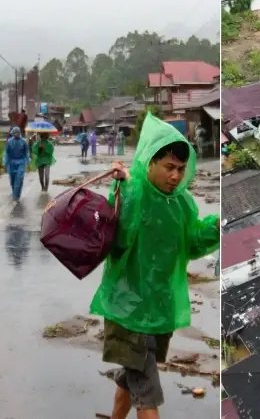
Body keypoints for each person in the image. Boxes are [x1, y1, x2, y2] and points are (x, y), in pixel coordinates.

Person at [90, 113, 220, 419]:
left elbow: (193, 241)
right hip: (129, 311)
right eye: (168, 167)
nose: (175, 175)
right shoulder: (134, 194)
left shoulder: (182, 203)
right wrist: (124, 185)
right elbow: (120, 232)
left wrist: (217, 227)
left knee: (132, 373)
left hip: (159, 309)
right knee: (148, 393)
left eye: (180, 169)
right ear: (150, 162)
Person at [3, 126, 31, 200]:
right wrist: (5, 163)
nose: (16, 134)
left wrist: (28, 163)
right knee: (12, 179)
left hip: (21, 162)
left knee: (19, 179)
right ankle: (14, 192)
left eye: (17, 132)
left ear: (19, 133)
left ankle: (16, 196)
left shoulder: (24, 141)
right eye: (14, 132)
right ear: (12, 133)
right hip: (11, 163)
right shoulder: (9, 142)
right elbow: (6, 153)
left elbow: (26, 153)